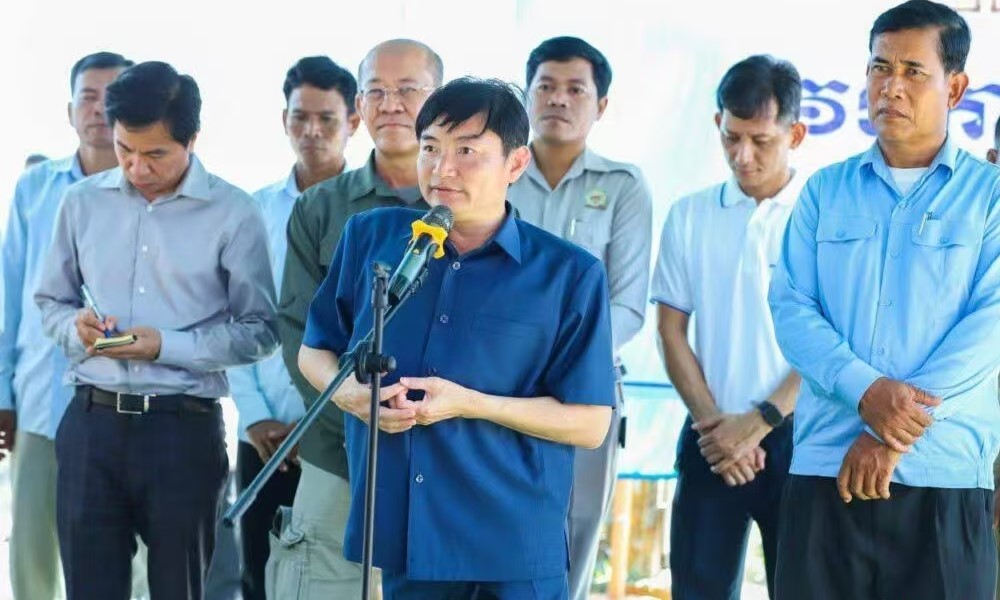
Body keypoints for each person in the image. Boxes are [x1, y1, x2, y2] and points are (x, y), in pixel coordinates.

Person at [298, 77, 615, 599]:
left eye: (467, 151)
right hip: (410, 535)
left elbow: (590, 423)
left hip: (512, 544)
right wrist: (349, 394)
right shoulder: (371, 237)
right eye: (430, 148)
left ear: (516, 164)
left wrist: (469, 403)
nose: (442, 168)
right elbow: (314, 350)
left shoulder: (568, 273)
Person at [769, 2, 999, 597]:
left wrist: (892, 431)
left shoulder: (991, 197)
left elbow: (990, 329)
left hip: (943, 477)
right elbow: (792, 309)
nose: (890, 87)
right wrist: (864, 391)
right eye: (879, 67)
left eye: (913, 71)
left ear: (956, 87)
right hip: (826, 469)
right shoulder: (824, 191)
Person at [34, 60, 279, 599]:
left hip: (182, 433)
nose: (136, 167)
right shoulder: (80, 203)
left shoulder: (234, 213)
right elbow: (50, 302)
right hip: (91, 426)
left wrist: (166, 346)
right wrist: (76, 328)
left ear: (192, 138)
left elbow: (260, 330)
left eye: (155, 154)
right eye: (125, 149)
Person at [268, 38, 439, 599]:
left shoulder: (469, 205)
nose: (391, 104)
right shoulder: (320, 207)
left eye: (408, 89)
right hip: (335, 451)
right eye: (376, 91)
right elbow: (299, 329)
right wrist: (349, 406)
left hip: (441, 455)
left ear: (440, 99)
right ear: (359, 106)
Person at [652, 55, 805, 599]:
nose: (743, 155)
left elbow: (834, 339)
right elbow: (670, 331)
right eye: (731, 137)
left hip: (799, 436)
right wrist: (715, 427)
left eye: (761, 141)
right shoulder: (689, 214)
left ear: (795, 135)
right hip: (709, 432)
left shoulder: (819, 218)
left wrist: (761, 422)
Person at [507, 37, 652, 598]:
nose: (558, 100)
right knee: (493, 536)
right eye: (545, 86)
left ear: (601, 104)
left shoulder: (623, 186)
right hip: (493, 389)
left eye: (575, 89)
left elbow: (628, 306)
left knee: (574, 539)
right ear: (526, 96)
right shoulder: (494, 174)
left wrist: (557, 363)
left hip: (584, 392)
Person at [0, 51, 133, 600]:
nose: (99, 109)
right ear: (69, 110)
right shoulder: (35, 189)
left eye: (112, 97)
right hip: (40, 402)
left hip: (129, 406)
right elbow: (9, 295)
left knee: (129, 564)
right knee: (33, 561)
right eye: (88, 97)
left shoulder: (154, 189)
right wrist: (2, 392)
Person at [229, 54, 359, 600]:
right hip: (265, 437)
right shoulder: (253, 211)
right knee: (260, 574)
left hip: (341, 434)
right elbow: (236, 317)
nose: (312, 130)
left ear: (354, 122)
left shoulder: (371, 211)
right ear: (283, 120)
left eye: (327, 118)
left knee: (338, 575)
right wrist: (255, 417)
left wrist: (320, 421)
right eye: (300, 117)